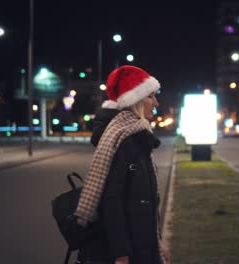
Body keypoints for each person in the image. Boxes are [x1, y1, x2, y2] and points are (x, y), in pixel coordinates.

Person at [74, 65, 170, 264]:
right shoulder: (125, 141)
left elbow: (142, 201)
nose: (156, 103)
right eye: (150, 96)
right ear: (135, 101)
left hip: (142, 244)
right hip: (130, 252)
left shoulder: (135, 137)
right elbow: (112, 201)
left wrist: (156, 242)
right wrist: (121, 255)